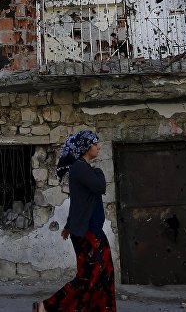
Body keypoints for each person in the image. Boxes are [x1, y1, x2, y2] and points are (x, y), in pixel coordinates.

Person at [34, 130, 116, 312]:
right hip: (87, 232)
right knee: (88, 277)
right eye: (95, 144)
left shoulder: (83, 168)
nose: (98, 147)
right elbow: (100, 186)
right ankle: (46, 307)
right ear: (86, 147)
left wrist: (69, 225)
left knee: (105, 274)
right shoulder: (80, 168)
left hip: (92, 229)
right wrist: (99, 172)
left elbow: (79, 201)